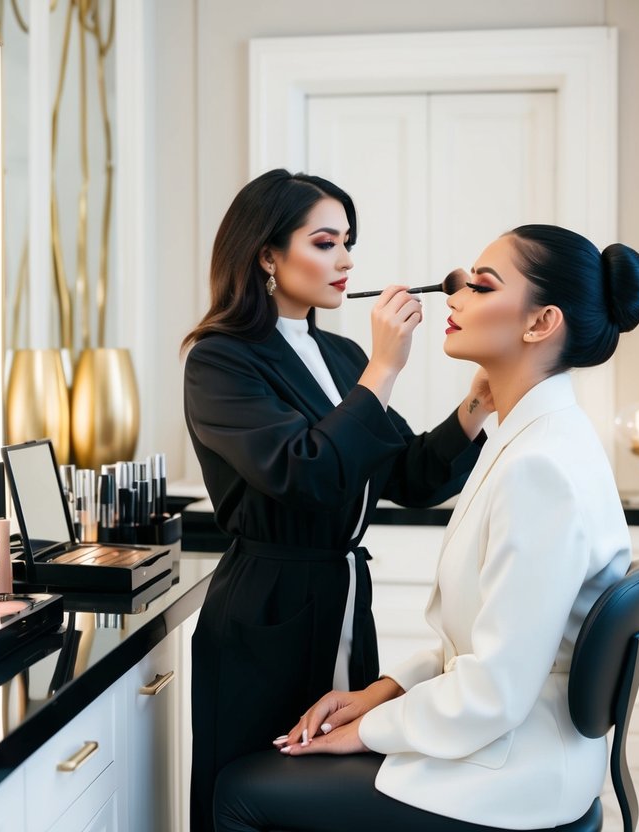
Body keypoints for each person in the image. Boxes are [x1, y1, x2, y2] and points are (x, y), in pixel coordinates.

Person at [210, 224, 639, 831]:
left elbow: (493, 688)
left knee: (237, 792)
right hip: (510, 739)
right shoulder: (541, 437)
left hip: (513, 769)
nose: (455, 295)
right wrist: (385, 690)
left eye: (482, 284)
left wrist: (369, 730)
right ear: (266, 256)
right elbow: (482, 646)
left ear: (540, 323)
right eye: (323, 241)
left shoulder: (538, 468)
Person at [182, 169, 492, 832]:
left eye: (347, 241)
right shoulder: (220, 361)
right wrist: (384, 369)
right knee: (252, 783)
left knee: (333, 779)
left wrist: (475, 402)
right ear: (267, 254)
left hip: (344, 594)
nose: (346, 260)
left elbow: (409, 478)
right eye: (324, 242)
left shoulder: (342, 351)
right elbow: (303, 473)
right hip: (267, 604)